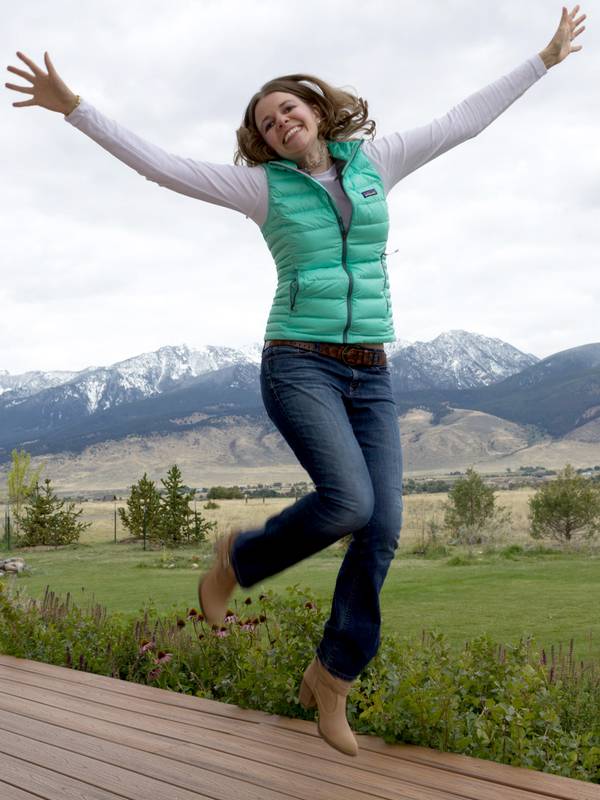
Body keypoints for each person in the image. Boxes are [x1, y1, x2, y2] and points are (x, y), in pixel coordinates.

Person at [5, 5, 586, 757]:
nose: (282, 123)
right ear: (263, 140)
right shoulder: (262, 189)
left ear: (316, 108)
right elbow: (159, 164)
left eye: (289, 108)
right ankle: (235, 562)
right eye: (267, 122)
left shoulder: (379, 160)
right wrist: (75, 108)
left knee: (381, 532)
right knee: (348, 501)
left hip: (372, 371)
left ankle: (332, 677)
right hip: (298, 363)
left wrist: (543, 59)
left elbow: (463, 119)